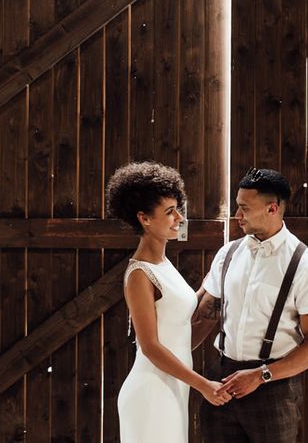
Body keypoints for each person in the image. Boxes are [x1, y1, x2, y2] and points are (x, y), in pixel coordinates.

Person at [192, 168, 308, 443]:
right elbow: (204, 313)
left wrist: (261, 375)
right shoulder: (228, 254)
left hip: (274, 389)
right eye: (237, 207)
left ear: (272, 209)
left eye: (244, 208)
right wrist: (169, 356)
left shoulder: (306, 267)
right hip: (221, 381)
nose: (237, 216)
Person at [111, 161, 230, 443]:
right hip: (151, 391)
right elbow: (150, 346)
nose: (179, 217)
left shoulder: (164, 263)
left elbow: (179, 331)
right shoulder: (140, 274)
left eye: (178, 209)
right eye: (169, 212)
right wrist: (203, 386)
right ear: (144, 218)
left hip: (174, 386)